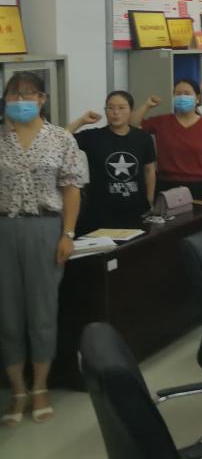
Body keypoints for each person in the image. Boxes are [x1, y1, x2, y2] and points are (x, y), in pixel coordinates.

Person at [0, 73, 87, 426]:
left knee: (42, 310)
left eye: (28, 94)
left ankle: (39, 387)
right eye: (13, 95)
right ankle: (17, 391)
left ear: (42, 98)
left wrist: (68, 234)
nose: (20, 100)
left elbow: (72, 189)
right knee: (7, 313)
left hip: (45, 228)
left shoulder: (61, 138)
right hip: (4, 228)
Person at [68, 91, 157, 232]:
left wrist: (150, 199)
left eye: (121, 108)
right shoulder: (93, 136)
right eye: (110, 108)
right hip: (100, 213)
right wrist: (82, 121)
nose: (115, 112)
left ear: (131, 110)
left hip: (136, 209)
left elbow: (149, 169)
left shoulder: (143, 138)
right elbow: (60, 139)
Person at [133, 79, 202, 201]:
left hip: (197, 185)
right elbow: (132, 125)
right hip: (165, 185)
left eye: (187, 93)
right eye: (178, 94)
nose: (182, 97)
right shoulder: (162, 121)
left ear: (197, 98)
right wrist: (147, 105)